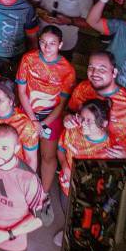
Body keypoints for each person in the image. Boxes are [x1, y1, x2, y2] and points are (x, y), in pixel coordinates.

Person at [15, 25, 75, 193]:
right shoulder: (28, 59)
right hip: (27, 112)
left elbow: (61, 104)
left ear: (60, 45)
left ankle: (44, 193)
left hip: (51, 115)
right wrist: (33, 120)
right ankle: (21, 188)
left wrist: (43, 124)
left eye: (52, 43)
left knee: (47, 156)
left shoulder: (67, 70)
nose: (47, 47)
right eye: (43, 42)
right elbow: (21, 91)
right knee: (22, 151)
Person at [66, 50, 126, 157]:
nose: (94, 73)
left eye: (102, 69)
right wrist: (68, 118)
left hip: (110, 165)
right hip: (79, 153)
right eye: (91, 68)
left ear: (114, 73)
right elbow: (70, 112)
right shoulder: (83, 88)